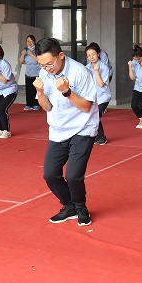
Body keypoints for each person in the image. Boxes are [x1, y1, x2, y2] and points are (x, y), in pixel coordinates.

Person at [33, 37, 98, 226]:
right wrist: (40, 93)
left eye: (49, 64)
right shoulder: (44, 73)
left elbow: (86, 107)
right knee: (50, 174)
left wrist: (67, 91)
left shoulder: (80, 72)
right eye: (42, 65)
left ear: (60, 55)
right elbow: (47, 107)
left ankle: (81, 207)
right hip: (58, 128)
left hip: (83, 127)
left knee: (73, 175)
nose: (46, 68)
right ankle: (70, 206)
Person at [85, 42, 112, 145]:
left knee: (96, 116)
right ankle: (98, 136)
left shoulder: (104, 67)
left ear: (98, 54)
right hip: (93, 97)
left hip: (103, 96)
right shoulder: (87, 67)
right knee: (92, 116)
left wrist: (96, 72)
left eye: (93, 54)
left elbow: (101, 84)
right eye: (89, 55)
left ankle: (101, 137)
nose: (91, 57)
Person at [19, 35, 41, 110]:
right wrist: (23, 55)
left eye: (31, 41)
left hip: (37, 74)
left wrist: (31, 54)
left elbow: (39, 60)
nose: (29, 43)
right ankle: (29, 104)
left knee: (36, 90)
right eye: (28, 41)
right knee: (29, 90)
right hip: (28, 73)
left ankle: (37, 104)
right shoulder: (25, 50)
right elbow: (21, 62)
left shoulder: (38, 50)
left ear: (34, 42)